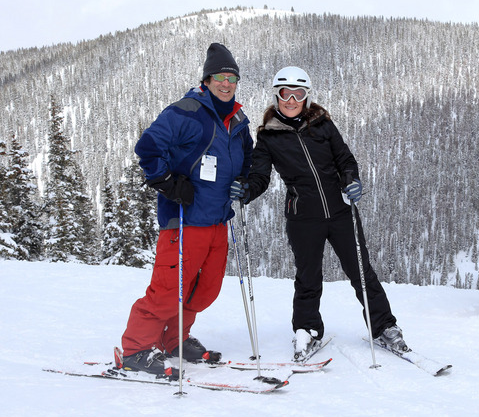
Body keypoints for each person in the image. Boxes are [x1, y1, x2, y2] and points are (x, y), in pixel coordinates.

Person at [235, 66, 407, 362]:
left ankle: (384, 327)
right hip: (303, 218)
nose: (291, 99)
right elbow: (260, 177)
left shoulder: (323, 124)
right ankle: (307, 329)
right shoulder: (268, 137)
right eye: (285, 93)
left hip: (341, 211)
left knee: (361, 273)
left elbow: (345, 159)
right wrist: (246, 191)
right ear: (276, 96)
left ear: (307, 97)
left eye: (298, 93)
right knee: (308, 277)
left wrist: (351, 180)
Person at [120, 43, 253, 378]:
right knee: (168, 291)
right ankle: (135, 350)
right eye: (221, 77)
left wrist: (244, 183)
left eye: (232, 78)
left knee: (202, 291)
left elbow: (247, 162)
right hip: (185, 219)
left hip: (218, 221)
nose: (227, 84)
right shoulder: (187, 111)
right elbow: (148, 147)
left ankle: (173, 340)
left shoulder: (237, 119)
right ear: (207, 79)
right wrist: (166, 181)